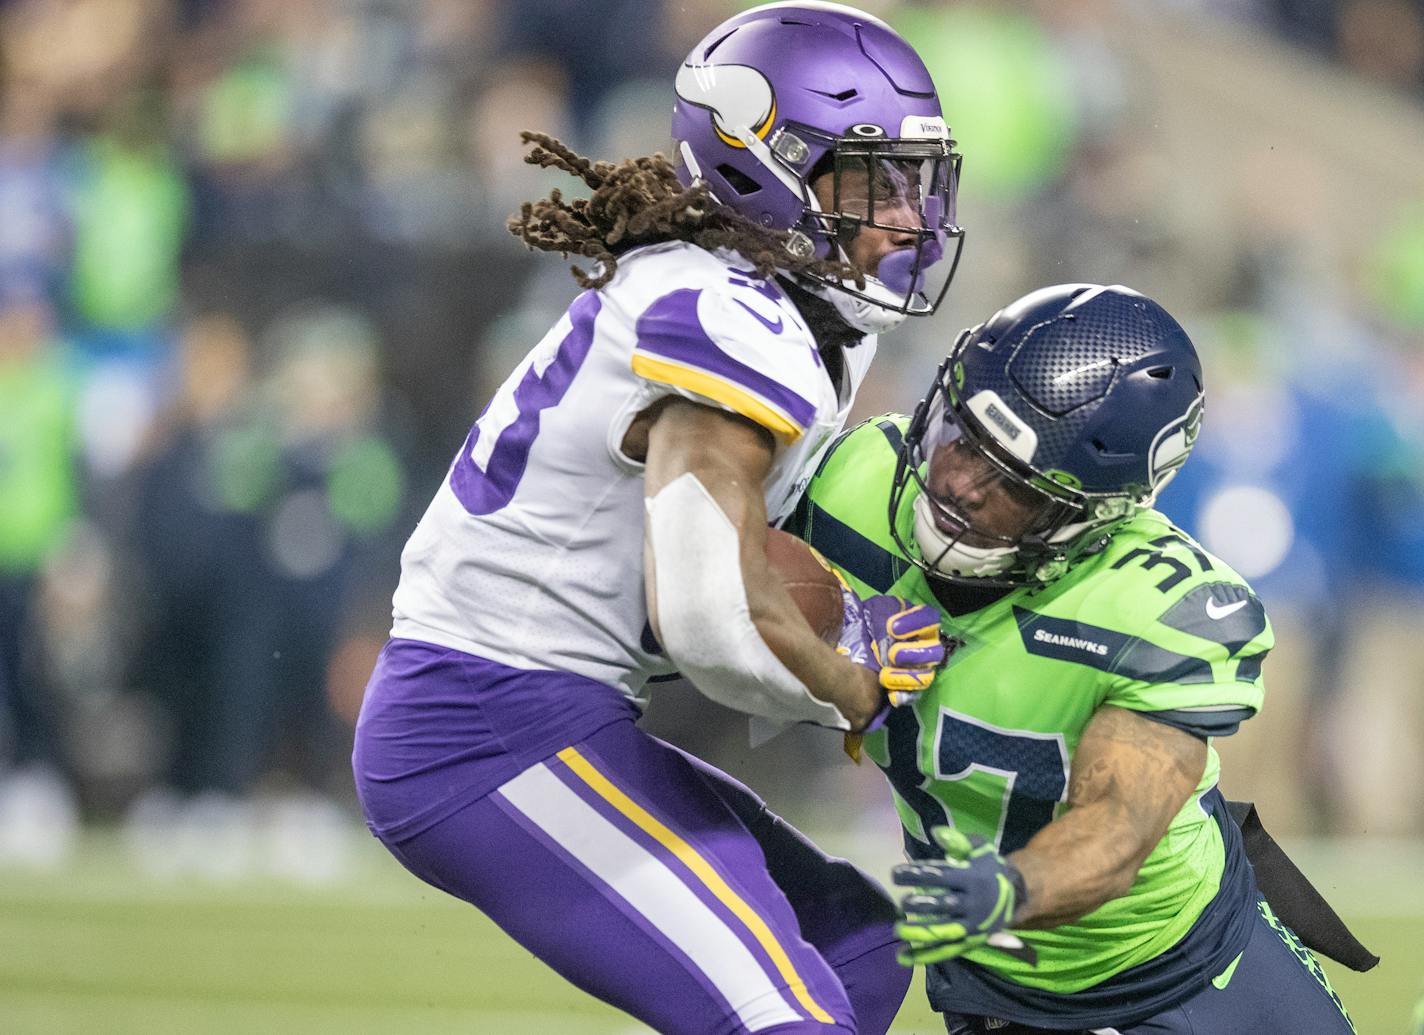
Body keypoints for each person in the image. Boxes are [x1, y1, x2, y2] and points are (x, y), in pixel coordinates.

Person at [353, 4, 962, 1033]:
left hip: (556, 707)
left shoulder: (794, 310)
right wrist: (852, 690)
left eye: (913, 180)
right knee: (781, 1015)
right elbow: (707, 621)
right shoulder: (728, 315)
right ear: (760, 167)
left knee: (855, 949)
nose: (903, 215)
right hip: (486, 720)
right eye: (869, 180)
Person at [790, 283, 1361, 1033]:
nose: (959, 482)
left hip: (1186, 961)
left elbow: (1120, 823)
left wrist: (1011, 888)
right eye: (961, 438)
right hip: (1006, 989)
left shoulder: (1153, 606)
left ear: (1091, 514)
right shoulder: (852, 482)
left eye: (1013, 482)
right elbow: (714, 571)